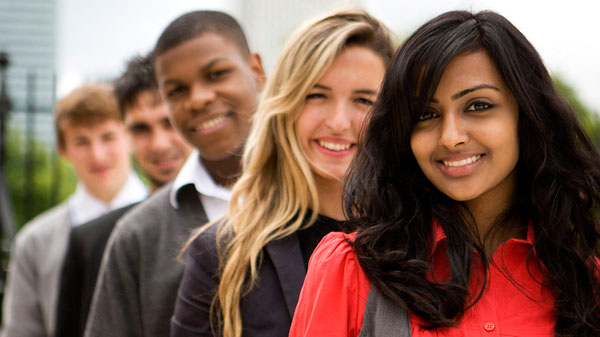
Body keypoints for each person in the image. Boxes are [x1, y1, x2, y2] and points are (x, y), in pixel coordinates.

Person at [289, 10, 600, 337]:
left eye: (478, 105)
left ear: (526, 116)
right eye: (426, 113)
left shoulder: (586, 285)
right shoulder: (349, 268)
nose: (451, 137)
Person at [171, 10, 395, 337]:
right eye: (317, 95)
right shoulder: (222, 254)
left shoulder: (426, 241)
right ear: (287, 104)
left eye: (363, 100)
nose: (337, 121)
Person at [83, 11, 265, 337]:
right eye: (177, 90)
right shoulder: (138, 236)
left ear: (256, 70)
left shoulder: (321, 198)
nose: (198, 99)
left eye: (217, 74)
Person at [54, 54, 193, 337]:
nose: (159, 143)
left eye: (169, 123)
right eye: (141, 128)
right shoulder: (94, 240)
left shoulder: (255, 216)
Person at [1, 84, 148, 337]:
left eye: (108, 137)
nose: (98, 155)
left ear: (129, 137)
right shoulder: (35, 242)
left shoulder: (170, 221)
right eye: (82, 142)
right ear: (63, 150)